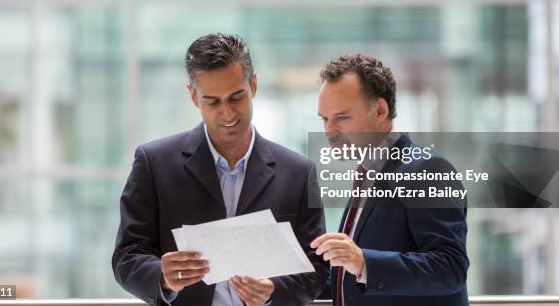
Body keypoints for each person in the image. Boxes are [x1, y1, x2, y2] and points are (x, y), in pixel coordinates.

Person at [112, 33, 327, 306]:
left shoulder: (298, 173)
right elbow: (127, 256)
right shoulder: (154, 163)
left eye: (236, 97)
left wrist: (273, 291)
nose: (227, 114)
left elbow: (317, 267)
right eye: (212, 101)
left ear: (254, 85)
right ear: (193, 96)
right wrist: (162, 278)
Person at [311, 54, 469, 306]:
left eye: (342, 117)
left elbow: (450, 268)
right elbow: (354, 282)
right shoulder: (368, 172)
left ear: (380, 110)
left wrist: (363, 261)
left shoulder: (427, 169)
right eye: (324, 118)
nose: (329, 130)